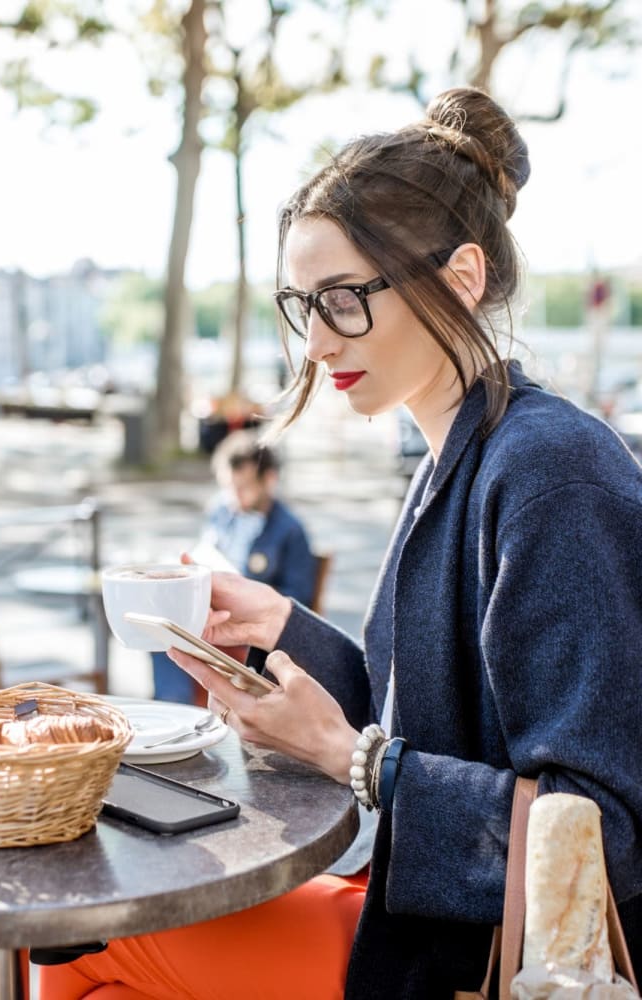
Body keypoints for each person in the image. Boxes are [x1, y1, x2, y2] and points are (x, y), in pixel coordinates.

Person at [40, 87, 642, 999]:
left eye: (345, 300)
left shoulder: (550, 472)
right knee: (85, 942)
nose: (316, 342)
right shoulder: (466, 450)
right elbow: (430, 723)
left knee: (83, 938)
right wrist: (282, 628)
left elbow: (600, 833)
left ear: (461, 277)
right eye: (301, 305)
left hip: (477, 958)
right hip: (419, 915)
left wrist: (349, 758)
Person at [152, 428, 317, 703]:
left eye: (243, 487)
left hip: (248, 635)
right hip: (211, 614)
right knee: (162, 627)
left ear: (270, 480)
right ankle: (175, 709)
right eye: (228, 487)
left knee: (173, 637)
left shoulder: (289, 530)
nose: (234, 496)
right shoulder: (222, 511)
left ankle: (178, 710)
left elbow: (298, 602)